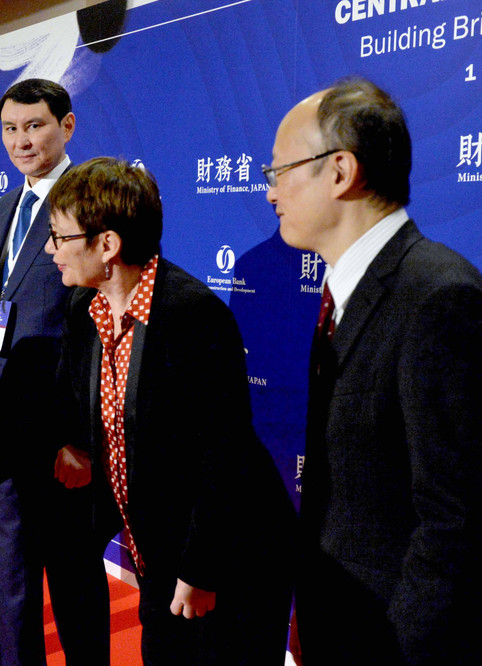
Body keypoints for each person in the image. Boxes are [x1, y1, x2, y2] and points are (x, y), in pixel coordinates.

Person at [266, 77, 482, 664]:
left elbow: (455, 528)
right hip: (345, 623)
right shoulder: (347, 293)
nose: (270, 191)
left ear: (340, 171)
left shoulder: (441, 299)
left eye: (280, 170)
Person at [48, 157, 295, 664]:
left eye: (60, 237)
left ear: (107, 245)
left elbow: (223, 454)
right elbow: (84, 417)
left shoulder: (192, 314)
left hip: (227, 555)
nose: (51, 250)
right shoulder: (85, 308)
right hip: (156, 551)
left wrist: (202, 569)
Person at [0, 79, 110, 665]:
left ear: (66, 126)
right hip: (0, 426)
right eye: (10, 129)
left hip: (60, 433)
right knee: (10, 578)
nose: (21, 141)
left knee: (73, 579)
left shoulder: (93, 202)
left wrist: (80, 439)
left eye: (34, 126)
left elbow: (99, 334)